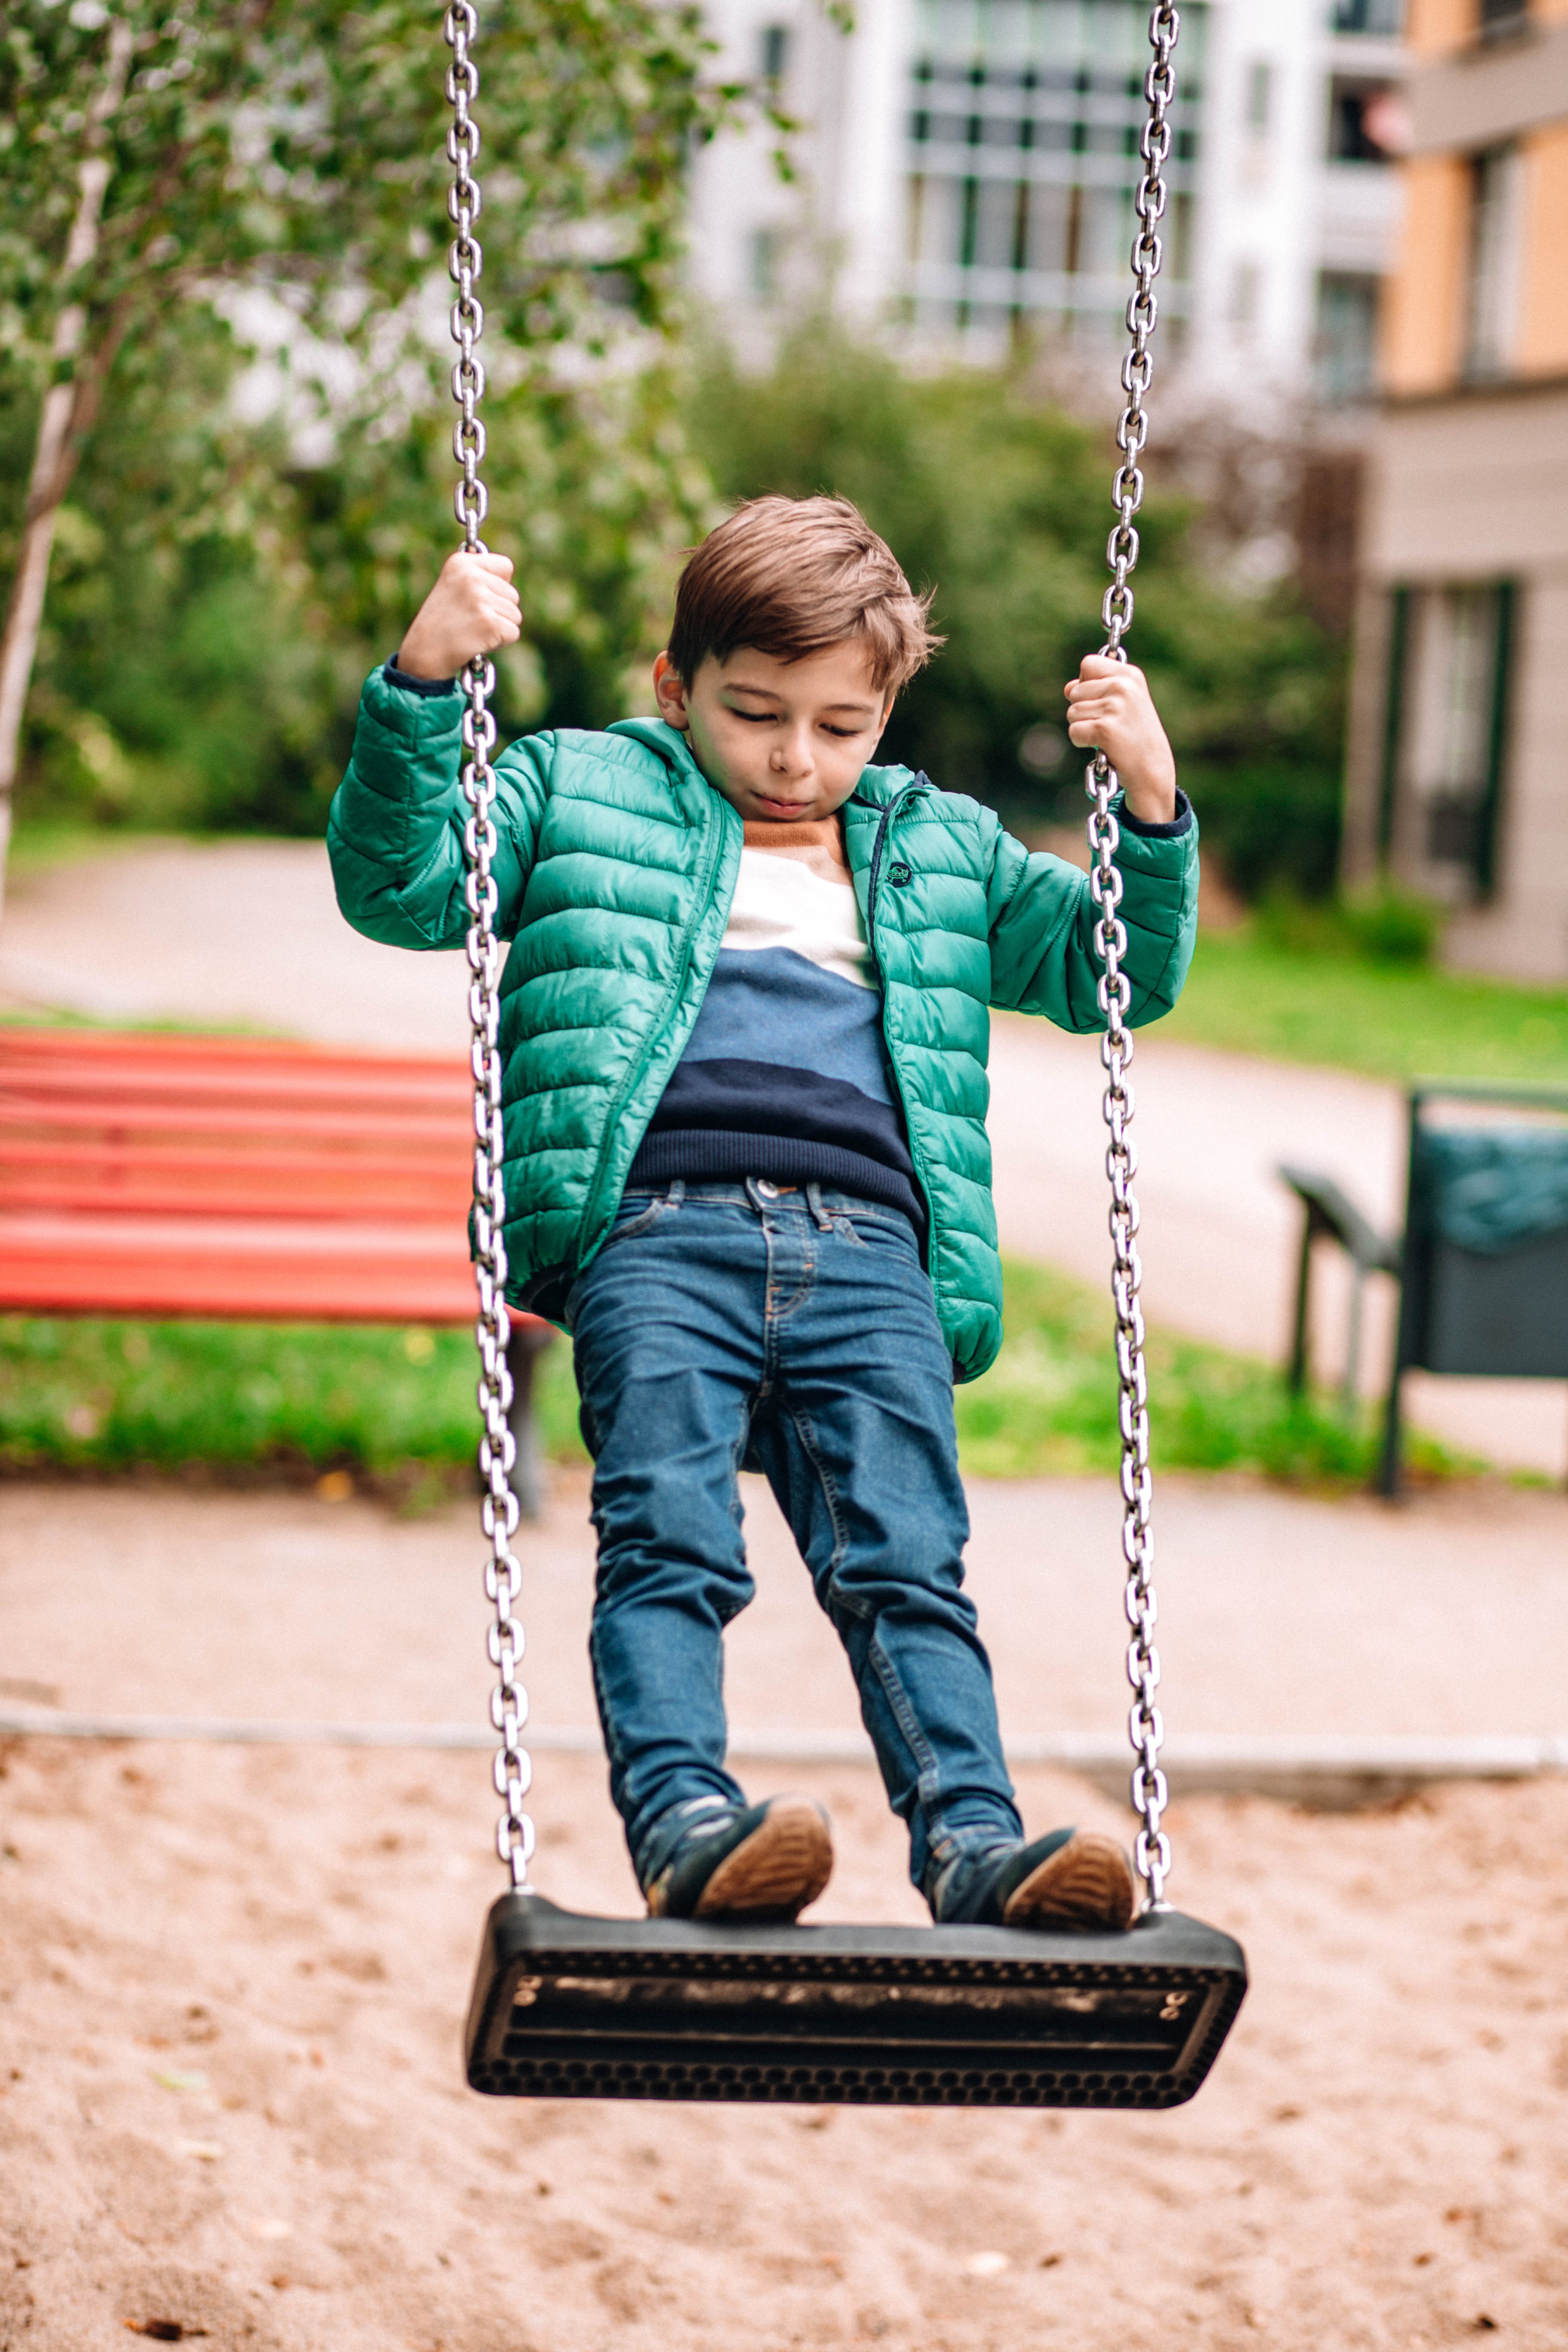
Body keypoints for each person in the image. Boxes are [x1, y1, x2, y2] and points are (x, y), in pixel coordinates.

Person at [328, 494, 1197, 1934]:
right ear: (677, 688)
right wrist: (425, 678)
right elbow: (399, 885)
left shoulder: (938, 849)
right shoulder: (577, 788)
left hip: (871, 1259)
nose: (796, 759)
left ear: (884, 716)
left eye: (840, 726)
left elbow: (1111, 974)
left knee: (907, 1561)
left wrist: (1150, 802)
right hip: (656, 1237)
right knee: (669, 1535)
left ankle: (973, 1850)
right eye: (753, 713)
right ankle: (685, 1827)